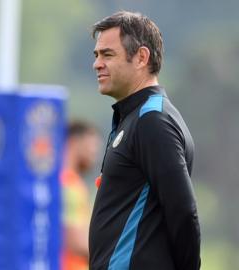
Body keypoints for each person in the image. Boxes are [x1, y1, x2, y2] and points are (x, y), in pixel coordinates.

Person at [88, 11, 201, 270]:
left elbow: (184, 212)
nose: (97, 64)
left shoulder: (153, 121)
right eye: (96, 55)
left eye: (107, 54)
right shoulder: (134, 117)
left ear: (141, 57)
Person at [60, 120, 100, 270]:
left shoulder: (59, 180)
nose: (94, 155)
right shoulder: (68, 183)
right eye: (92, 146)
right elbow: (76, 241)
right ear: (75, 142)